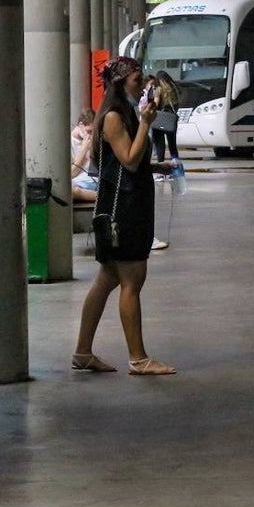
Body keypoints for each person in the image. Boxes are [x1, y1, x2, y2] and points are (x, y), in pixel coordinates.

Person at [72, 56, 176, 376]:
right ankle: (138, 358)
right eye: (135, 79)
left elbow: (129, 160)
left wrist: (156, 165)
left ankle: (83, 352)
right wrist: (146, 122)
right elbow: (130, 160)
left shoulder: (125, 112)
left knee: (107, 279)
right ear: (120, 84)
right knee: (132, 280)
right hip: (123, 211)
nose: (142, 84)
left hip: (124, 205)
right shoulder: (115, 117)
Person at [152, 70, 181, 167]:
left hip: (160, 119)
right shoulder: (174, 88)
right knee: (172, 144)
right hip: (171, 118)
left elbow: (156, 103)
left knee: (160, 144)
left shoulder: (158, 89)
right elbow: (177, 104)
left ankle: (161, 166)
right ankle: (177, 166)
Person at [70, 109, 98, 203]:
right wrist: (83, 150)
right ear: (81, 125)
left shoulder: (93, 140)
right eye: (89, 131)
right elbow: (72, 173)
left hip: (93, 179)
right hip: (78, 183)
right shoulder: (69, 143)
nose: (91, 135)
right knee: (71, 190)